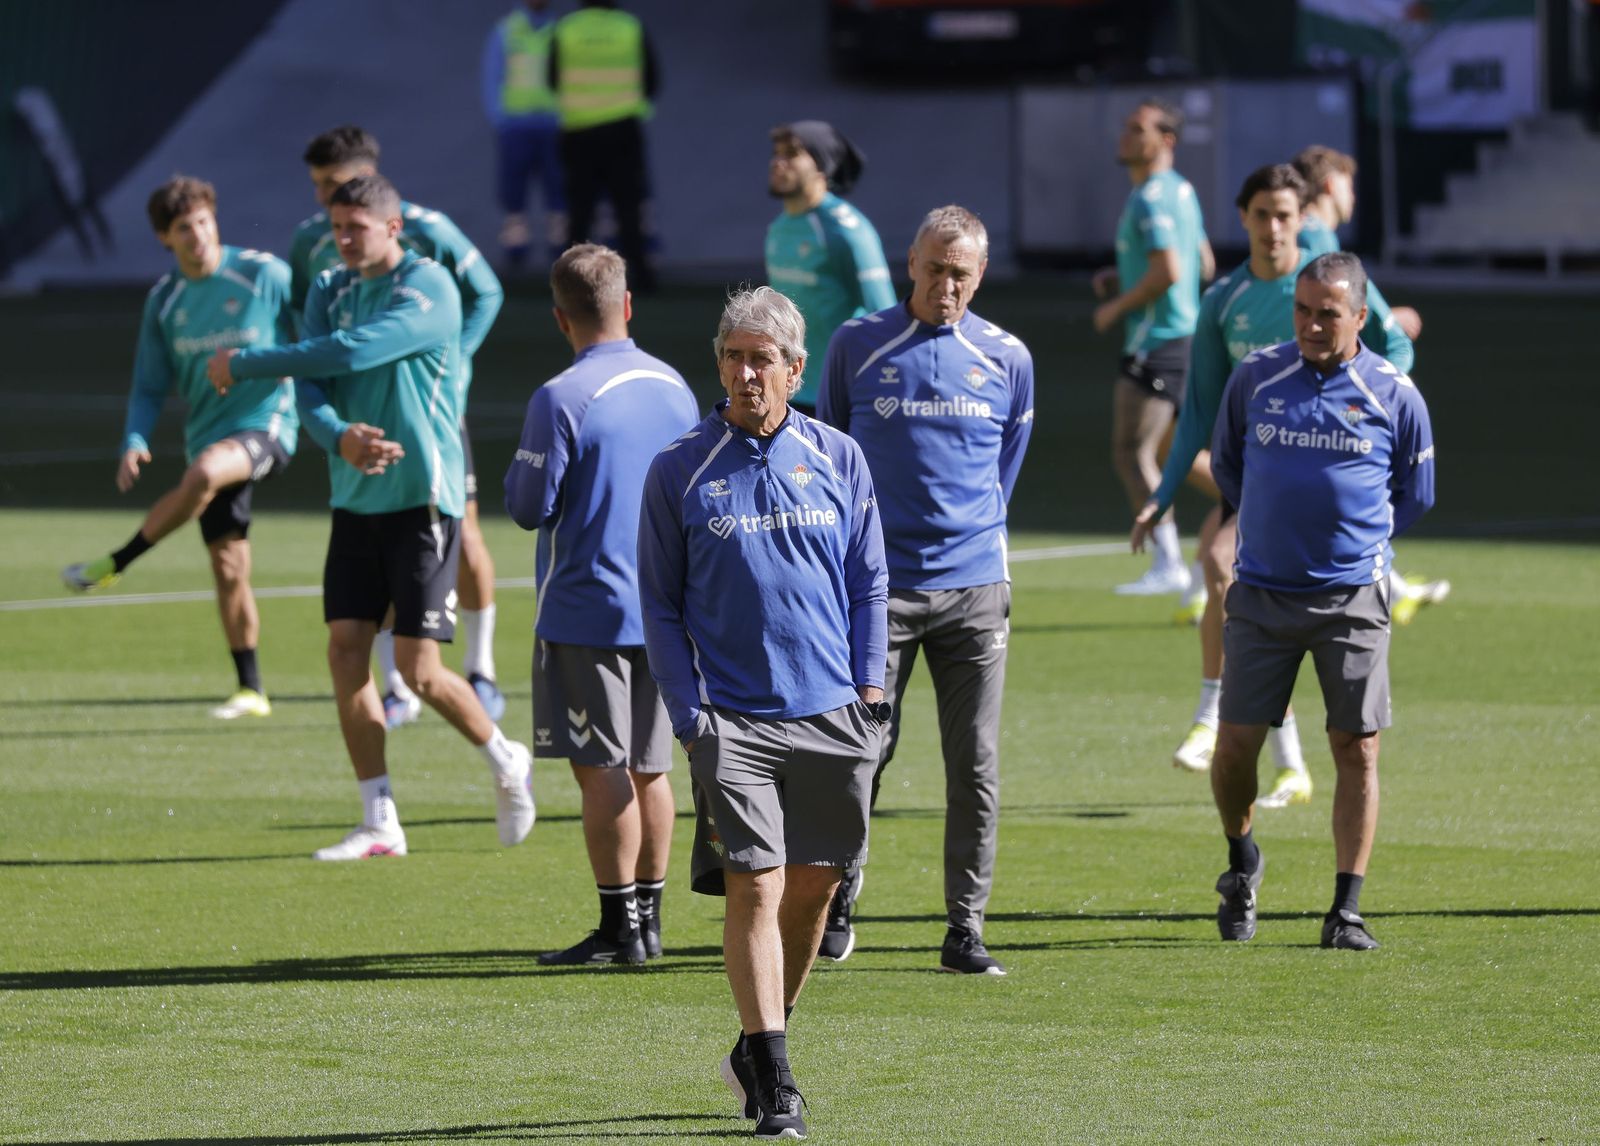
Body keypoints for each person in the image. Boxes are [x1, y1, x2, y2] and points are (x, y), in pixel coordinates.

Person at [208, 174, 535, 861]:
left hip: (423, 498)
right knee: (344, 653)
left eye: (357, 228)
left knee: (418, 671)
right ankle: (379, 819)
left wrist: (244, 363)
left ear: (393, 228)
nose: (344, 241)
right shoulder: (330, 289)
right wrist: (339, 438)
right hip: (355, 498)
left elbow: (354, 352)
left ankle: (506, 757)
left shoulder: (430, 287)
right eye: (337, 229)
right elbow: (316, 387)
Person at [638, 286, 888, 1139]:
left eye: (762, 359)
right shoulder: (679, 468)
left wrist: (871, 689)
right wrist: (691, 715)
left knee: (815, 890)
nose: (746, 374)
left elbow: (868, 581)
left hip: (834, 715)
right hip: (733, 721)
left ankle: (756, 1044)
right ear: (719, 364)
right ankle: (776, 1072)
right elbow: (660, 606)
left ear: (794, 368)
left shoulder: (840, 457)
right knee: (755, 883)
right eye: (733, 357)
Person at [1133, 164, 1413, 807]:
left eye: (1286, 215)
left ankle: (1221, 719)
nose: (1274, 227)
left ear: (1301, 219)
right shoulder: (1224, 301)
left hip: (1331, 474)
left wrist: (1370, 427)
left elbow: (1396, 355)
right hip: (1260, 478)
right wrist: (1163, 492)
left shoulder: (1330, 280)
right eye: (1261, 214)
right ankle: (1263, 747)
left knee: (1221, 568)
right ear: (1243, 219)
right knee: (1218, 566)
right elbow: (1199, 412)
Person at [818, 205, 1034, 974]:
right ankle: (839, 899)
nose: (947, 286)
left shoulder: (1008, 357)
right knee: (858, 754)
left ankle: (965, 927)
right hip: (880, 594)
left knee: (974, 765)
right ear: (911, 262)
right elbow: (834, 455)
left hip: (975, 592)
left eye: (962, 274)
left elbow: (1005, 466)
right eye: (936, 268)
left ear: (979, 276)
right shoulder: (857, 345)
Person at [1206, 251, 1435, 950]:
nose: (1310, 324)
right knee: (1236, 746)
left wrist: (1347, 539)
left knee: (1355, 749)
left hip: (1351, 599)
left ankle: (1346, 909)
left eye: (1327, 313)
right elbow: (1228, 464)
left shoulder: (1396, 395)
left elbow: (1414, 496)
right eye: (1302, 310)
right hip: (1263, 595)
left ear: (1360, 317)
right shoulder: (1256, 378)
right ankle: (1242, 861)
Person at [504, 244, 698, 965]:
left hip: (586, 608)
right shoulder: (675, 386)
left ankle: (619, 930)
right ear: (628, 304)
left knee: (601, 766)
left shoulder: (561, 397)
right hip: (668, 608)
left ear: (560, 318)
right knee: (652, 766)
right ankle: (649, 922)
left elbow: (529, 507)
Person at [288, 125, 509, 730]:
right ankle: (396, 685)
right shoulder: (316, 241)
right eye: (318, 189)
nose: (322, 201)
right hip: (363, 413)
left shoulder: (427, 229)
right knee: (378, 543)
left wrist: (456, 362)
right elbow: (307, 326)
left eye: (331, 185)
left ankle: (482, 666)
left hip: (428, 414)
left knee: (461, 536)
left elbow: (486, 292)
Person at [62, 176, 298, 721]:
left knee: (203, 474)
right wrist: (135, 439)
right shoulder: (165, 302)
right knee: (229, 567)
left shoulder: (263, 274)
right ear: (164, 239)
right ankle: (251, 690)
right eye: (183, 229)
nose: (197, 236)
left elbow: (315, 334)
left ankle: (118, 561)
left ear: (215, 220)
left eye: (203, 222)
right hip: (208, 436)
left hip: (268, 425)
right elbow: (149, 384)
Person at [1292, 144, 1448, 627]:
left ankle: (1389, 584)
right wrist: (1388, 381)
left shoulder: (1296, 239)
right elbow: (1392, 335)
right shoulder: (1322, 245)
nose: (1353, 193)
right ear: (1328, 184)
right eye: (1348, 181)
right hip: (1318, 402)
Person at [1093, 98, 1214, 600]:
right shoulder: (1180, 191)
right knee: (1171, 451)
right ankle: (1255, 505)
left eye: (1137, 128)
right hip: (1183, 337)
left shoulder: (1151, 198)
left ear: (1166, 140)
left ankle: (1168, 562)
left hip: (1158, 342)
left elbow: (1171, 271)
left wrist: (1118, 305)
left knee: (1131, 451)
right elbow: (1204, 262)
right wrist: (1120, 275)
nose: (1125, 135)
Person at [765, 120, 895, 415]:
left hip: (842, 397)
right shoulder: (778, 229)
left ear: (822, 165)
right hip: (787, 394)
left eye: (792, 153)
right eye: (776, 153)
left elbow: (885, 319)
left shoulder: (846, 231)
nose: (777, 162)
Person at [549, 0, 659, 290]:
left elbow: (552, 79)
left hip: (578, 130)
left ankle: (570, 279)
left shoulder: (567, 29)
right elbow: (652, 80)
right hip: (622, 129)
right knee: (628, 208)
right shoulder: (629, 27)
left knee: (579, 210)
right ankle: (642, 278)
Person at [481, 0, 565, 268]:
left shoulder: (561, 31)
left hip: (555, 124)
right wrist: (500, 119)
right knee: (513, 192)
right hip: (516, 125)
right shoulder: (507, 31)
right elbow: (492, 77)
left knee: (559, 188)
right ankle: (516, 253)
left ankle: (560, 251)